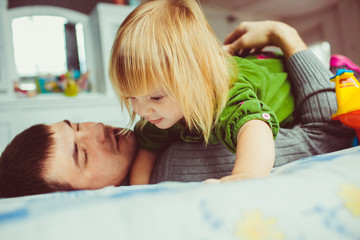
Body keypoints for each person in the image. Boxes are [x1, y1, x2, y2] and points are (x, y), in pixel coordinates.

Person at [0, 18, 355, 197]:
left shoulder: (152, 136)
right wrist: (285, 35)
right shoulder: (176, 168)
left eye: (76, 125)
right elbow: (329, 136)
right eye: (82, 153)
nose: (96, 131)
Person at [107, 0, 342, 185]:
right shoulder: (157, 114)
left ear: (194, 81)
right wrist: (141, 192)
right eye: (131, 98)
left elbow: (254, 129)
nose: (141, 110)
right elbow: (147, 150)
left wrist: (246, 175)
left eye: (155, 97)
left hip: (290, 82)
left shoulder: (224, 96)